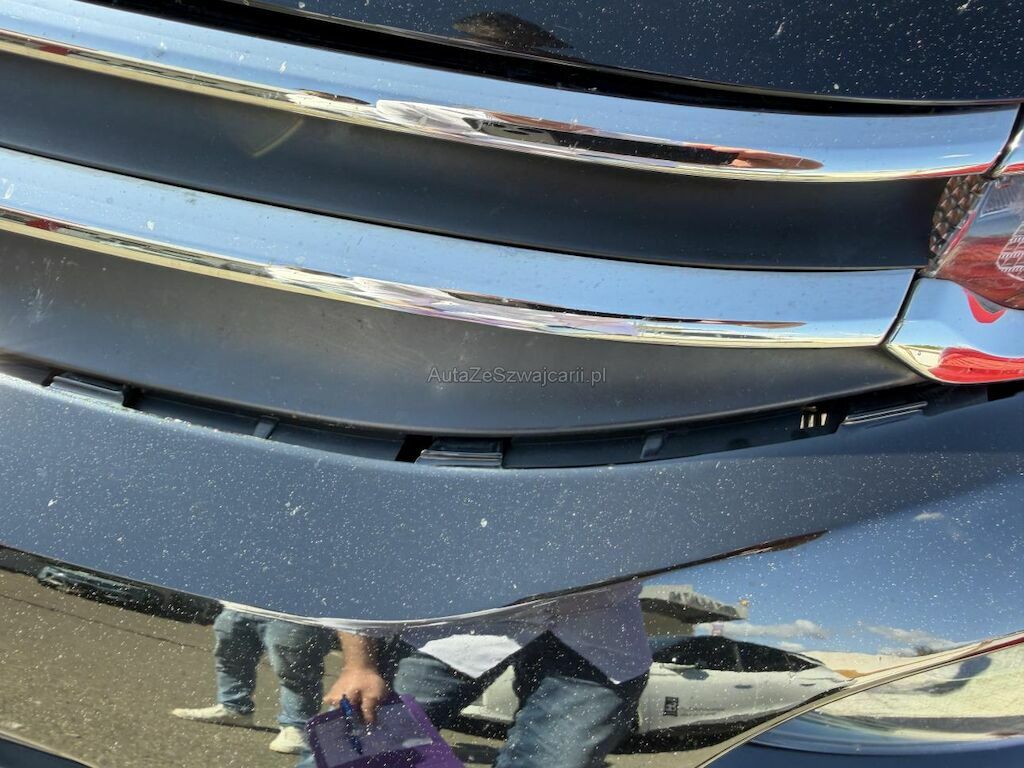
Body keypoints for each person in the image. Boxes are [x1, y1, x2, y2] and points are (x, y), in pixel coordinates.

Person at [303, 581, 651, 768]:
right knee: (358, 752)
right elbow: (379, 533)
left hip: (600, 630)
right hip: (461, 618)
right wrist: (358, 663)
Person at [172, 608, 334, 754]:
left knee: (296, 671)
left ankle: (299, 727)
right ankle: (234, 707)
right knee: (230, 658)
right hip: (239, 605)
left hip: (296, 612)